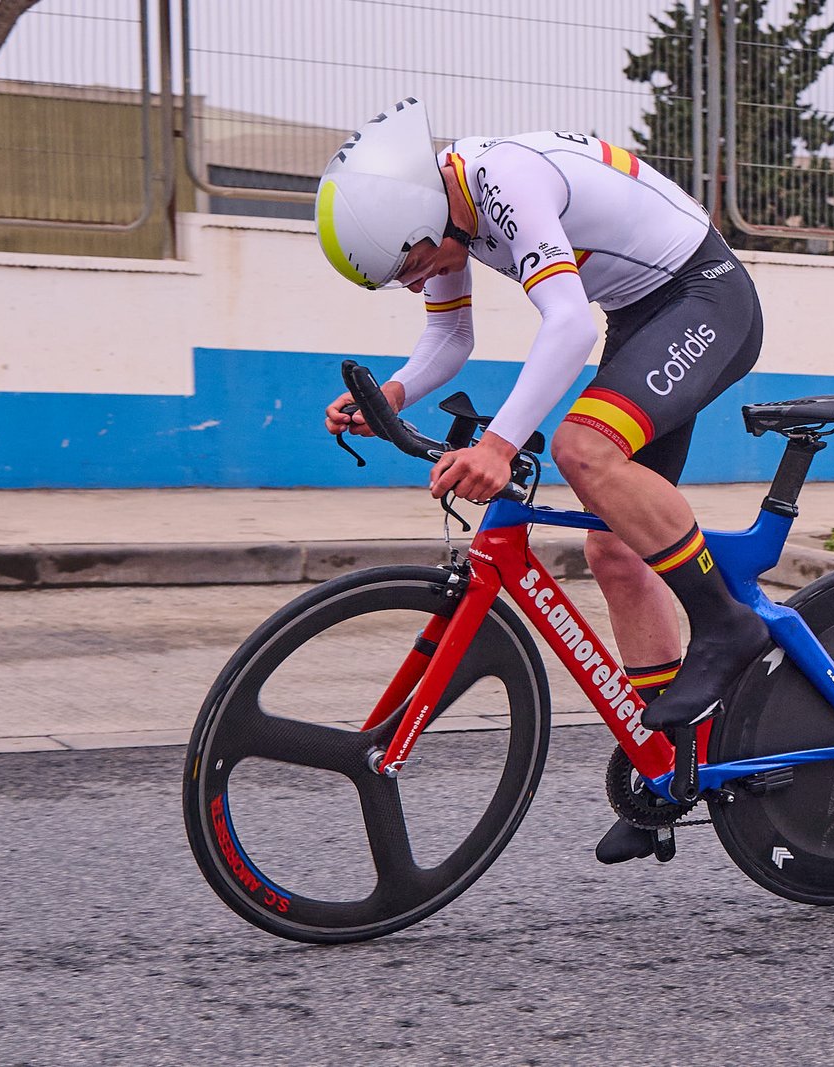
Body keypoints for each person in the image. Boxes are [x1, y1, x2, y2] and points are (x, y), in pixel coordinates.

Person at [317, 97, 766, 864]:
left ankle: (725, 626)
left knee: (582, 449)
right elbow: (448, 336)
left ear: (425, 221)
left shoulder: (503, 180)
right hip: (646, 314)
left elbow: (569, 325)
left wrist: (498, 445)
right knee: (615, 551)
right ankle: (671, 764)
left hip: (705, 296)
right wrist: (391, 395)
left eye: (413, 267)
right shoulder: (444, 211)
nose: (417, 282)